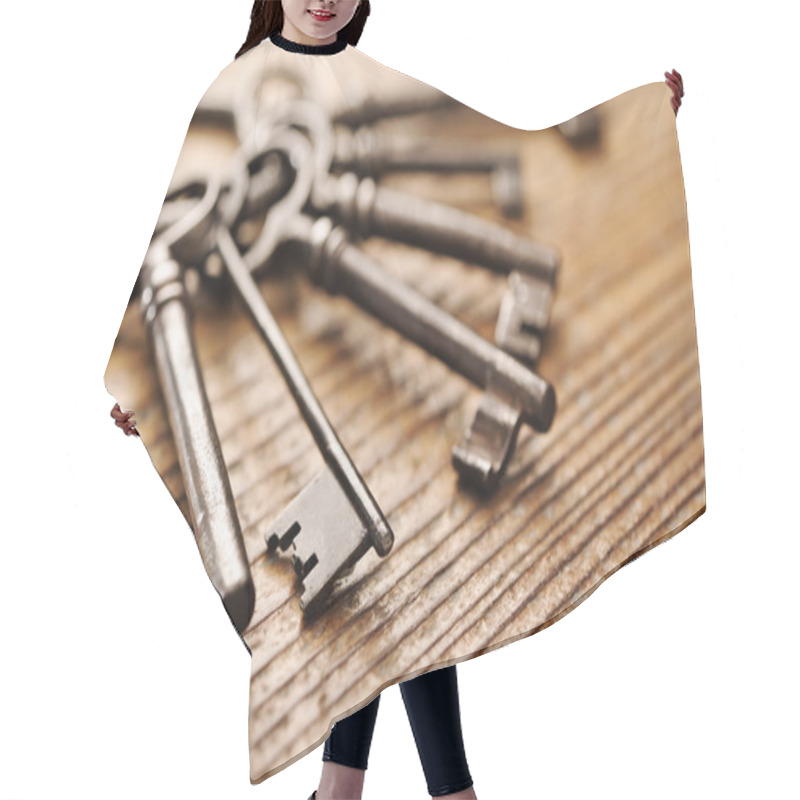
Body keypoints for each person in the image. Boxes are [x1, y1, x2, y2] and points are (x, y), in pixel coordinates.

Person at [110, 3, 685, 798]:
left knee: (390, 597)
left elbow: (494, 129)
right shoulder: (235, 84)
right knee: (382, 599)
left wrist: (645, 112)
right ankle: (434, 790)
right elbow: (165, 233)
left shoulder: (360, 78)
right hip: (305, 382)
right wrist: (134, 386)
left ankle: (350, 789)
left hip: (361, 373)